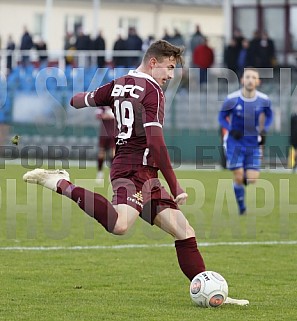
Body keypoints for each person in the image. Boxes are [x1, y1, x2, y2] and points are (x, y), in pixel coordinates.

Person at [23, 40, 248, 305]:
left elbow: (79, 101)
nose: (171, 75)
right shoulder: (152, 91)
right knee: (120, 225)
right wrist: (175, 186)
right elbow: (155, 142)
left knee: (184, 230)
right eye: (169, 67)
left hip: (143, 172)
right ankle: (62, 183)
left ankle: (211, 292)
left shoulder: (118, 83)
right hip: (131, 169)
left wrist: (77, 99)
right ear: (153, 63)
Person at [218, 67, 273, 215]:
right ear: (242, 80)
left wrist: (264, 128)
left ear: (258, 81)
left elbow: (269, 115)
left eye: (253, 77)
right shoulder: (232, 99)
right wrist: (229, 128)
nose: (250, 80)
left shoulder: (264, 100)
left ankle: (239, 183)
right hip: (234, 142)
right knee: (238, 174)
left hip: (253, 143)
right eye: (247, 77)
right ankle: (242, 207)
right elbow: (221, 117)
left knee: (252, 178)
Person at [95, 106, 116, 183]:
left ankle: (111, 174)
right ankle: (99, 173)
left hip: (113, 133)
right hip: (103, 133)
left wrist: (107, 116)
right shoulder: (102, 106)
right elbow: (98, 115)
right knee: (101, 153)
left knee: (113, 154)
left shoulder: (116, 104)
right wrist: (109, 116)